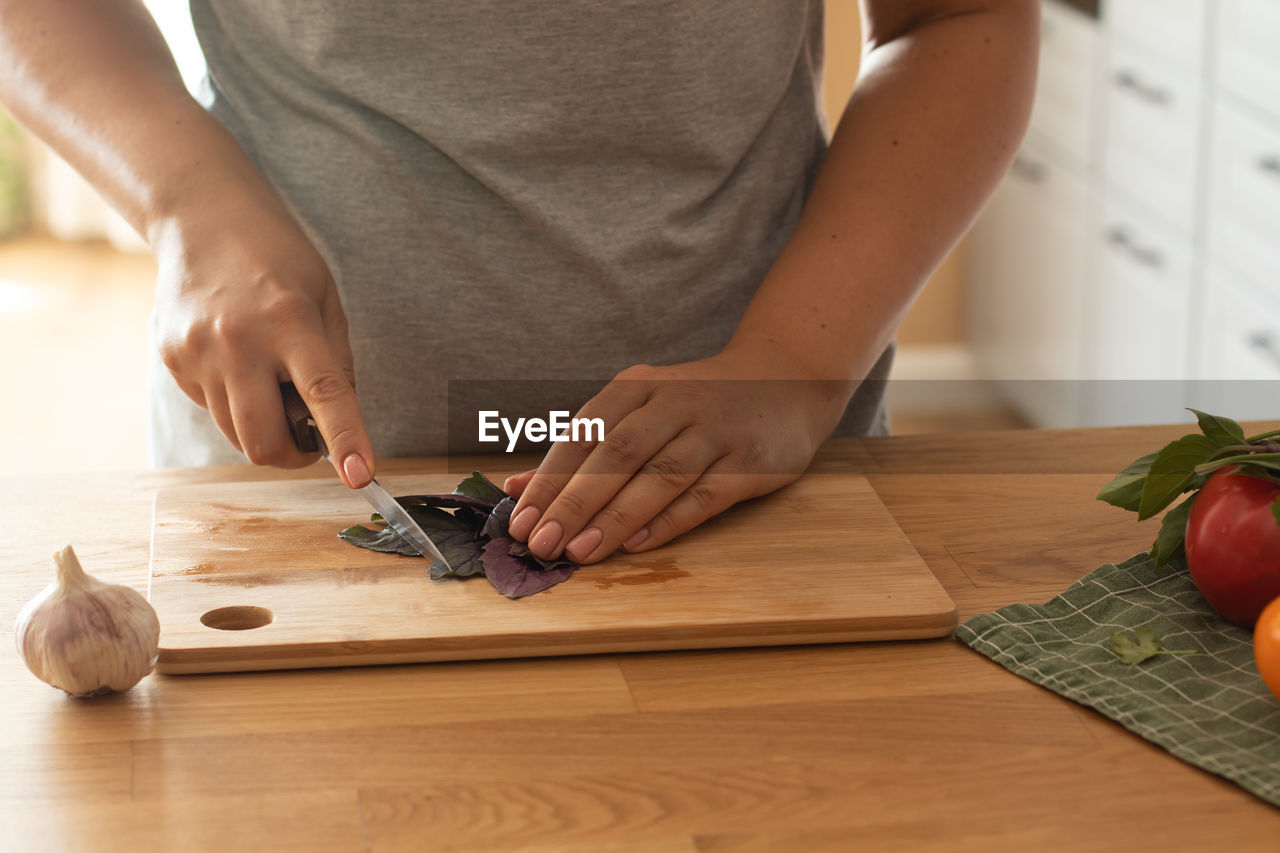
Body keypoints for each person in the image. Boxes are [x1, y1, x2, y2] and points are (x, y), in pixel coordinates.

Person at [0, 1, 1037, 565]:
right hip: (288, 498)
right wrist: (188, 200)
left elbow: (958, 18)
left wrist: (794, 361)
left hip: (757, 501)